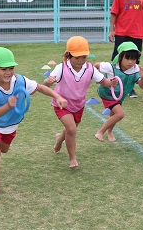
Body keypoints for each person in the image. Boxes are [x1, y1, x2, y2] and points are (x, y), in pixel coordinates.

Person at [0, 47, 67, 196]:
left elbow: (40, 88)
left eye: (11, 68)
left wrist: (57, 97)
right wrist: (8, 105)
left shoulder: (20, 80)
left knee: (3, 150)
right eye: (3, 69)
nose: (8, 72)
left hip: (11, 122)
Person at [43, 36, 117, 168]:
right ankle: (73, 158)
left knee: (70, 129)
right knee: (71, 129)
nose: (81, 61)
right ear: (69, 55)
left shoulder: (90, 68)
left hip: (78, 105)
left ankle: (59, 139)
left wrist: (111, 83)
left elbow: (103, 82)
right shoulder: (61, 68)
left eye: (84, 57)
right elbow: (45, 85)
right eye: (77, 58)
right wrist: (48, 82)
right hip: (62, 104)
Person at [94, 42, 143, 142]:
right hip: (107, 94)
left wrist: (142, 77)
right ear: (121, 57)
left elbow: (142, 86)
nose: (130, 62)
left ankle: (110, 132)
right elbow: (95, 66)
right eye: (127, 58)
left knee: (114, 115)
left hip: (119, 96)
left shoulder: (135, 69)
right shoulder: (110, 67)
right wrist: (99, 80)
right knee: (120, 114)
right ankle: (100, 132)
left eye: (133, 59)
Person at [109, 0, 143, 98]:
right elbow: (114, 13)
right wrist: (111, 30)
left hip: (137, 34)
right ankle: (114, 85)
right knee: (117, 60)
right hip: (122, 33)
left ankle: (130, 88)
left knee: (133, 61)